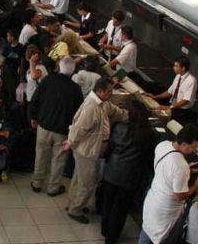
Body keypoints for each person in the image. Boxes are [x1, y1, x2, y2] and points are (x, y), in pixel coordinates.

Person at [137, 124, 198, 244]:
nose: (194, 150)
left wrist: (185, 173)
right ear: (185, 144)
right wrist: (196, 185)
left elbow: (165, 169)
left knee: (145, 237)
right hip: (166, 212)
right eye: (193, 146)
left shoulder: (163, 145)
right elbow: (179, 195)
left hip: (152, 200)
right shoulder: (181, 165)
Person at [64, 78, 128, 223]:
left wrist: (128, 115)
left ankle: (73, 204)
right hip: (86, 151)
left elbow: (114, 111)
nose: (111, 94)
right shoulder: (91, 107)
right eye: (109, 91)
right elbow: (78, 129)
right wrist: (70, 143)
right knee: (87, 182)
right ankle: (75, 210)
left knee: (79, 179)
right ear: (100, 91)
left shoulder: (102, 103)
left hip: (90, 149)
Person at [100, 101, 157, 244]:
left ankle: (104, 228)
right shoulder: (147, 133)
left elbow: (110, 147)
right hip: (130, 176)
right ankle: (112, 236)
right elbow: (148, 156)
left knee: (108, 202)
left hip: (112, 170)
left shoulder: (118, 127)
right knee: (120, 208)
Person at [29, 56, 84, 196]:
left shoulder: (48, 80)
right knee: (58, 160)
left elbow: (35, 99)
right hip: (62, 130)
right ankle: (53, 187)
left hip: (44, 125)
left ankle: (37, 183)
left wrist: (33, 117)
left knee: (40, 155)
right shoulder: (76, 89)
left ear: (59, 67)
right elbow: (78, 113)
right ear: (73, 72)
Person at [147, 56, 198, 125]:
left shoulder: (191, 81)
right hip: (173, 105)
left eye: (176, 66)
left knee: (162, 120)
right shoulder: (178, 76)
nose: (174, 68)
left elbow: (186, 100)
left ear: (183, 68)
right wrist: (155, 97)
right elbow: (169, 92)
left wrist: (169, 107)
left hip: (182, 110)